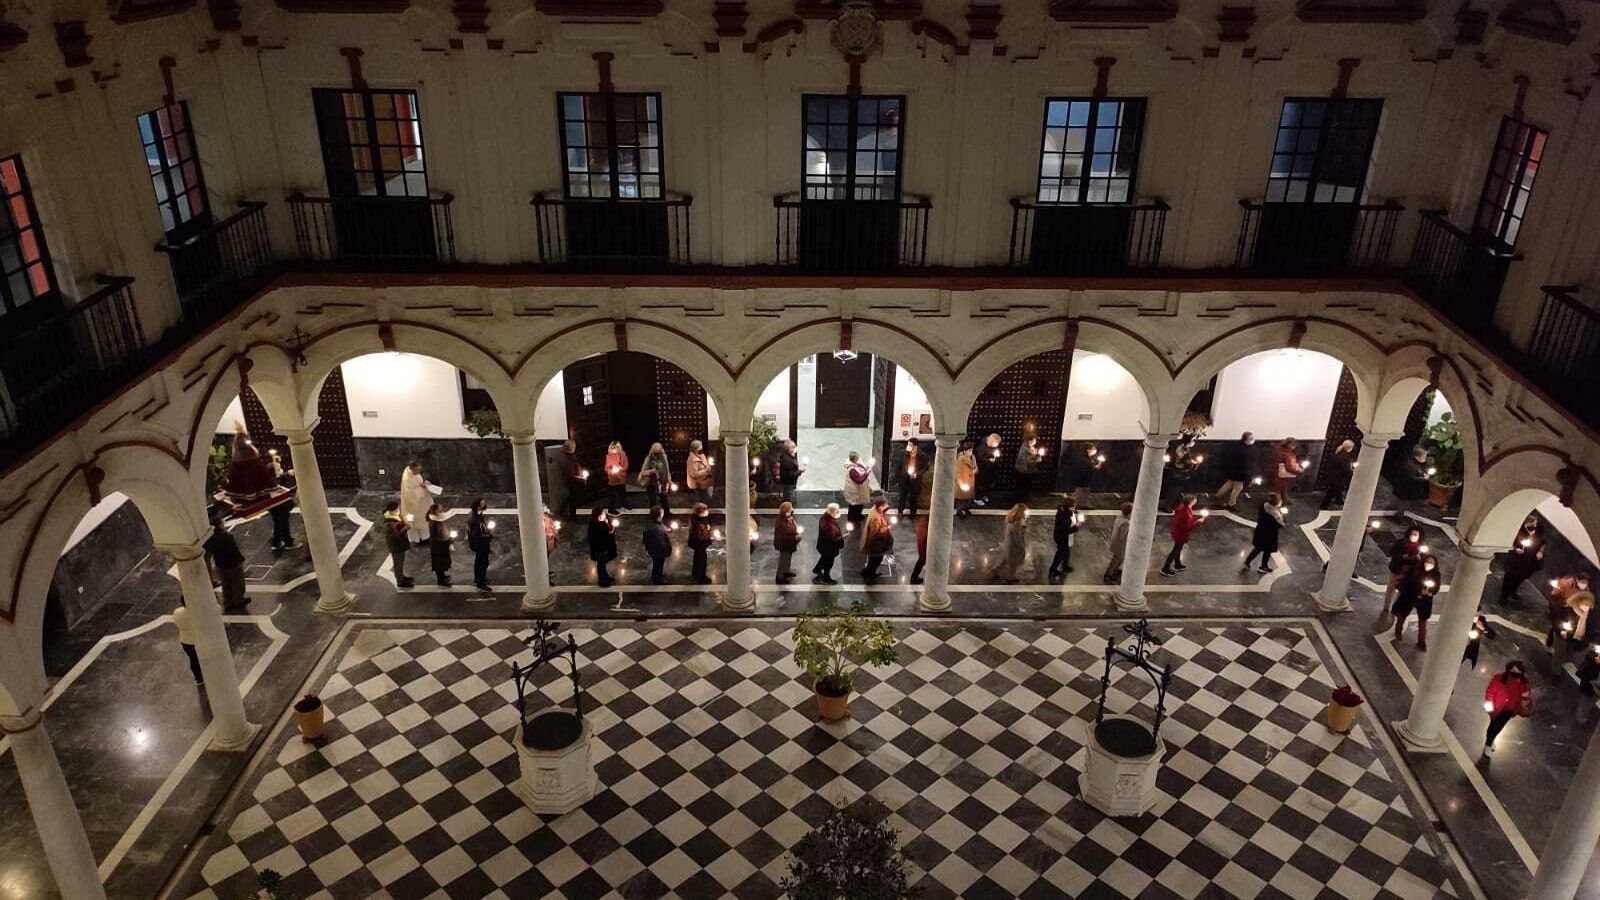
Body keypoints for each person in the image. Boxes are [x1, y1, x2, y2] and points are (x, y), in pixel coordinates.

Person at [1482, 660, 1533, 756]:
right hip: (1496, 708)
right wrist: (1489, 706)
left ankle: (1489, 742)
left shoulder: (1524, 684)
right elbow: (1490, 692)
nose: (1515, 673)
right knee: (1494, 726)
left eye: (1517, 671)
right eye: (1513, 671)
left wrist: (1522, 706)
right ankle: (1489, 742)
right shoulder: (1499, 679)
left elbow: (1524, 697)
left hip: (1509, 710)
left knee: (1496, 727)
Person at [1391, 555, 1440, 650]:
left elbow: (1436, 587)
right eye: (1427, 562)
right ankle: (1398, 631)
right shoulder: (1416, 570)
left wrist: (1430, 592)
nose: (1429, 564)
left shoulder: (1435, 575)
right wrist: (1419, 590)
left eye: (1431, 563)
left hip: (1425, 601)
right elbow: (1409, 582)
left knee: (1422, 621)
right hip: (1410, 596)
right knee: (1402, 614)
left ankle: (1421, 642)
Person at [203, 512, 250, 611]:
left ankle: (227, 601)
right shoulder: (227, 536)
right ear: (220, 524)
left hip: (220, 564)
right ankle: (238, 599)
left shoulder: (211, 538)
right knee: (237, 582)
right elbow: (234, 550)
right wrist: (240, 559)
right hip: (232, 564)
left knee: (226, 584)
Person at [1499, 514, 1546, 605]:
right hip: (1516, 559)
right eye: (1531, 525)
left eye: (1535, 524)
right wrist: (1515, 549)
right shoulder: (1517, 529)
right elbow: (1509, 542)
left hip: (1530, 560)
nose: (1534, 527)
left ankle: (1513, 590)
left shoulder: (1538, 530)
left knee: (1521, 576)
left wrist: (1540, 551)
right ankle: (1503, 596)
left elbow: (1543, 542)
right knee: (1510, 577)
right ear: (1525, 523)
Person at [1160, 495, 1204, 577]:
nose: (1196, 502)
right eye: (1195, 500)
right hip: (1181, 534)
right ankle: (1165, 568)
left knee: (1178, 548)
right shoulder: (1185, 512)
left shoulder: (1182, 507)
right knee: (1176, 550)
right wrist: (1198, 521)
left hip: (1177, 531)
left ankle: (1177, 564)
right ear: (1191, 502)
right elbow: (1187, 527)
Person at [1243, 494, 1286, 574]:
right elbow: (1280, 524)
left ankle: (1247, 562)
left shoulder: (1264, 506)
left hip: (1260, 531)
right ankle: (1263, 567)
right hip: (1270, 535)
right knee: (1267, 551)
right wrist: (1282, 518)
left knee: (1257, 548)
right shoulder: (1275, 514)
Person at [267, 450, 300, 554]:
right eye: (278, 469)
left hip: (278, 507)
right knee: (280, 523)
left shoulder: (271, 479)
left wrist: (286, 473)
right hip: (279, 506)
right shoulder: (272, 483)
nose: (281, 470)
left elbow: (279, 477)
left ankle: (282, 540)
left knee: (281, 523)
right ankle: (283, 542)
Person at [1384, 527, 1425, 609]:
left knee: (1402, 591)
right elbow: (1392, 552)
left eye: (1415, 535)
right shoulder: (1401, 543)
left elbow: (1423, 559)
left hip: (1409, 572)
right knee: (1391, 589)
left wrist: (1419, 558)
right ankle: (1386, 607)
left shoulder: (1421, 547)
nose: (1413, 536)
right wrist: (1402, 556)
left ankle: (1395, 608)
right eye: (1412, 534)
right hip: (1397, 569)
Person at [1214, 432, 1256, 510]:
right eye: (1251, 439)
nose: (1253, 440)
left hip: (1233, 471)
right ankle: (1231, 504)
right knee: (1237, 488)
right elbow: (1246, 464)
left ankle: (1218, 496)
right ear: (1246, 440)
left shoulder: (1237, 446)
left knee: (1229, 484)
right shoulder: (1245, 451)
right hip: (1240, 473)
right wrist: (1248, 476)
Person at [991, 503, 1029, 583]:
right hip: (1014, 546)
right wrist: (1022, 547)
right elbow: (1017, 538)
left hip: (1008, 542)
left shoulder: (1009, 518)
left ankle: (996, 570)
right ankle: (1011, 577)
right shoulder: (1017, 524)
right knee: (1013, 563)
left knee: (1006, 559)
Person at [399, 461, 435, 544]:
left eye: (420, 470)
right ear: (412, 469)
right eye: (418, 470)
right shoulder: (407, 479)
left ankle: (425, 537)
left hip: (421, 505)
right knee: (416, 522)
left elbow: (417, 485)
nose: (419, 472)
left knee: (423, 521)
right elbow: (411, 495)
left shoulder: (413, 473)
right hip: (413, 507)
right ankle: (417, 539)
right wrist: (423, 487)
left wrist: (423, 484)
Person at [382, 500, 414, 589]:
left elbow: (400, 524)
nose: (399, 511)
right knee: (398, 564)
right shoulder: (389, 523)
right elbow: (395, 535)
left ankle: (402, 577)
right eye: (397, 509)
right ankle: (400, 582)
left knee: (401, 562)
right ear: (392, 511)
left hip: (400, 544)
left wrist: (406, 520)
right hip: (396, 546)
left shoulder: (394, 517)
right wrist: (406, 528)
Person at [859, 499, 894, 579]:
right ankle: (870, 574)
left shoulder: (874, 509)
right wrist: (887, 528)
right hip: (876, 543)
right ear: (880, 506)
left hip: (873, 542)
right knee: (877, 559)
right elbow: (875, 533)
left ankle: (867, 571)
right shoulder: (876, 518)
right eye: (885, 506)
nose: (886, 507)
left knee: (873, 559)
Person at [172, 601, 204, 685]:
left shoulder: (178, 612)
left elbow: (176, 623)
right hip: (202, 639)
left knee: (193, 659)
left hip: (186, 641)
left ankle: (198, 678)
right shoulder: (201, 611)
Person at [814, 503, 845, 584]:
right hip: (829, 547)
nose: (838, 512)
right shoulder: (828, 524)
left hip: (824, 546)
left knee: (824, 558)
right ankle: (826, 577)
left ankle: (817, 569)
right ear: (832, 512)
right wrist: (843, 536)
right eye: (837, 511)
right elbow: (833, 539)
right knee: (829, 562)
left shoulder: (825, 518)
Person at [466, 498, 493, 592]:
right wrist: (489, 536)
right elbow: (477, 535)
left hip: (481, 544)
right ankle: (480, 582)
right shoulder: (474, 520)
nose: (484, 505)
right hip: (480, 545)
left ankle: (481, 578)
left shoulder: (477, 514)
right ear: (477, 506)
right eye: (482, 504)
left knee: (483, 562)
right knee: (481, 563)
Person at [1049, 497, 1080, 579]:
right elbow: (1066, 530)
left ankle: (1065, 566)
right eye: (1073, 507)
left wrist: (1075, 512)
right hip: (1062, 538)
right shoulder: (1063, 517)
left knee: (1067, 551)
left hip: (1066, 537)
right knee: (1060, 553)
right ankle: (1053, 569)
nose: (1074, 508)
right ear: (1068, 507)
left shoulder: (1066, 511)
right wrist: (1077, 526)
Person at [588, 507, 619, 588]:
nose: (605, 514)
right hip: (600, 549)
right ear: (599, 516)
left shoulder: (601, 523)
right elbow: (602, 537)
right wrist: (611, 532)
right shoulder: (596, 526)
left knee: (602, 564)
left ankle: (605, 576)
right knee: (601, 564)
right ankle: (602, 580)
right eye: (603, 513)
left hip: (603, 548)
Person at [1321, 439, 1355, 509]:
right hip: (1338, 478)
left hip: (1332, 476)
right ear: (1349, 448)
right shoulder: (1345, 457)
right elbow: (1345, 469)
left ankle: (1339, 500)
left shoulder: (1337, 453)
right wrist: (1352, 469)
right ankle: (1324, 505)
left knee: (1336, 490)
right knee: (1331, 492)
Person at [639, 442, 673, 512]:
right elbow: (643, 472)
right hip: (652, 482)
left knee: (664, 498)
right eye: (656, 452)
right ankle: (653, 514)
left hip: (662, 482)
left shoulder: (664, 457)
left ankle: (667, 513)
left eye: (659, 450)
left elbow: (667, 469)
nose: (658, 453)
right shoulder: (649, 458)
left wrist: (669, 479)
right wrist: (651, 471)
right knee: (653, 500)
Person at [642, 505, 671, 585]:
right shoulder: (656, 528)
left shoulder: (653, 524)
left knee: (657, 564)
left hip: (654, 549)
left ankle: (657, 575)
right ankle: (657, 579)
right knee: (658, 564)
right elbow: (659, 541)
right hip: (659, 550)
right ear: (659, 515)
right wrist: (667, 548)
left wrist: (665, 530)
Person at [1104, 502, 1132, 584]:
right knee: (1117, 559)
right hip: (1120, 545)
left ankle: (1115, 570)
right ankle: (1109, 574)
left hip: (1115, 542)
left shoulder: (1119, 517)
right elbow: (1124, 535)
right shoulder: (1126, 523)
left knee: (1119, 558)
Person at [426, 503, 452, 587]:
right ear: (436, 510)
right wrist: (445, 541)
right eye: (440, 508)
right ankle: (441, 581)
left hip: (442, 544)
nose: (442, 508)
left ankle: (443, 576)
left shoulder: (438, 518)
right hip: (438, 547)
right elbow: (435, 537)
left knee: (443, 562)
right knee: (439, 563)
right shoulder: (434, 522)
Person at [774, 501, 800, 584]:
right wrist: (795, 537)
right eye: (790, 509)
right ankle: (780, 577)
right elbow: (784, 536)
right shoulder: (781, 522)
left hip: (789, 544)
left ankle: (786, 571)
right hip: (784, 544)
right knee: (783, 561)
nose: (792, 510)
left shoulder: (789, 518)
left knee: (788, 559)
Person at [842, 452, 874, 521]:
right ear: (854, 459)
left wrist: (868, 467)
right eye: (858, 458)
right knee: (854, 506)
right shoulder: (852, 470)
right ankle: (851, 519)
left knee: (860, 505)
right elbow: (859, 480)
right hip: (855, 492)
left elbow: (862, 471)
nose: (859, 459)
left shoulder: (856, 465)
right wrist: (867, 473)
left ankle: (858, 515)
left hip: (859, 491)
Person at [557, 439, 584, 518]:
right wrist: (580, 477)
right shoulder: (565, 458)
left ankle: (565, 510)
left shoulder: (569, 455)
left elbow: (575, 464)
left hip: (573, 479)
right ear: (570, 447)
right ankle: (572, 514)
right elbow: (570, 473)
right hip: (571, 480)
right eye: (574, 446)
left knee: (572, 496)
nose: (575, 448)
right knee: (573, 497)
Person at [898, 439, 924, 516]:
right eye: (908, 444)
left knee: (913, 497)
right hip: (904, 478)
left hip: (915, 480)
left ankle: (912, 514)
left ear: (915, 446)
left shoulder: (922, 455)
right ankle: (900, 512)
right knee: (902, 496)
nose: (908, 446)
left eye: (910, 445)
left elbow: (925, 467)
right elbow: (899, 465)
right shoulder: (904, 454)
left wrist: (917, 474)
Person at [685, 440, 715, 506]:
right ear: (695, 449)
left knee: (706, 498)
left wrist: (709, 467)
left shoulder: (702, 456)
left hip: (704, 482)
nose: (701, 448)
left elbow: (706, 466)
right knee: (700, 499)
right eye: (700, 446)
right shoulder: (691, 460)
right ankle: (699, 510)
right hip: (697, 483)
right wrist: (705, 470)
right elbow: (694, 474)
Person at [954, 440, 979, 518]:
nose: (970, 452)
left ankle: (966, 508)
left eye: (971, 450)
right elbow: (958, 472)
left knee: (969, 497)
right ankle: (959, 511)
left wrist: (975, 470)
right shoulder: (960, 459)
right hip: (963, 481)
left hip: (970, 480)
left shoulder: (973, 457)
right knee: (961, 498)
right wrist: (961, 484)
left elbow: (975, 466)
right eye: (969, 450)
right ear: (965, 451)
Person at [977, 433, 1003, 507]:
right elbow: (979, 458)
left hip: (991, 470)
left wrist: (997, 457)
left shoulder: (993, 446)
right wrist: (988, 460)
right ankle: (978, 498)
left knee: (988, 485)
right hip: (983, 470)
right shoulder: (982, 446)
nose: (996, 446)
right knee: (981, 485)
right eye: (995, 444)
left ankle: (984, 496)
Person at [605, 441, 630, 513]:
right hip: (612, 478)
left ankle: (624, 504)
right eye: (613, 447)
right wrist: (611, 472)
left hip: (621, 477)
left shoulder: (623, 454)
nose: (614, 449)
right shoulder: (609, 456)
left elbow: (626, 465)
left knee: (622, 493)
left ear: (619, 447)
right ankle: (612, 509)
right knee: (613, 495)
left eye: (616, 447)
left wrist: (620, 468)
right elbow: (606, 468)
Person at [910, 514, 930, 584]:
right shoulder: (924, 527)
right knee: (921, 561)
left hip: (923, 547)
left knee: (920, 561)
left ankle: (914, 577)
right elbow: (924, 539)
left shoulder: (922, 524)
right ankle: (914, 577)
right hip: (924, 548)